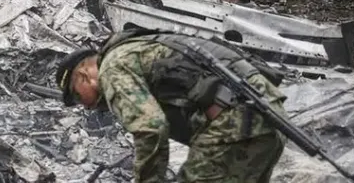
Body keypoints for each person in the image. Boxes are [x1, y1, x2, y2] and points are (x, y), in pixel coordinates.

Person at [55, 27, 287, 183]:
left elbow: (150, 128)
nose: (85, 107)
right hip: (268, 114)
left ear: (83, 76)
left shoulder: (112, 67)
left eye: (78, 97)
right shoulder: (139, 46)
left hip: (234, 120)